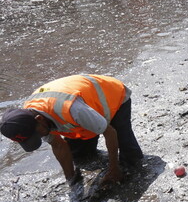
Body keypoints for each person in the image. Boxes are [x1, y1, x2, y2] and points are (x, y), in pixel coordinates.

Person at [0, 74, 143, 186]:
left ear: (39, 119)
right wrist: (71, 179)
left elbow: (110, 132)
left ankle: (127, 163)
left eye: (36, 134)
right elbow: (57, 144)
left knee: (130, 157)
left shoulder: (72, 108)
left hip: (113, 97)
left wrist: (114, 168)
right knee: (79, 156)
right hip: (85, 110)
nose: (40, 137)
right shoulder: (30, 118)